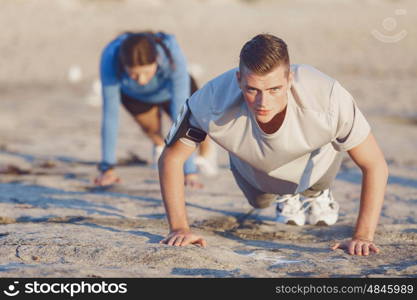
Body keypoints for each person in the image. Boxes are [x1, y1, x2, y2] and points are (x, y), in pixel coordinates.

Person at [158, 34, 388, 256]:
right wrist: (179, 228)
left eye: (274, 89)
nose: (263, 102)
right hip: (251, 164)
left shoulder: (327, 98)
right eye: (252, 90)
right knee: (258, 202)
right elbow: (171, 158)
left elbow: (375, 164)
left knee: (314, 182)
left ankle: (315, 193)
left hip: (314, 161)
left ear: (290, 79)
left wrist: (363, 235)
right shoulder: (211, 99)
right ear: (238, 79)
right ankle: (285, 196)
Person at [94, 31, 216, 188]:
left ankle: (204, 157)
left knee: (198, 126)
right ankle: (161, 147)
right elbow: (110, 115)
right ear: (123, 66)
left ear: (157, 60)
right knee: (151, 129)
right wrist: (107, 168)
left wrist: (189, 172)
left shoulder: (172, 54)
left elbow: (181, 115)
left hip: (174, 90)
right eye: (134, 74)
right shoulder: (110, 58)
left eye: (146, 72)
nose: (142, 80)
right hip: (135, 95)